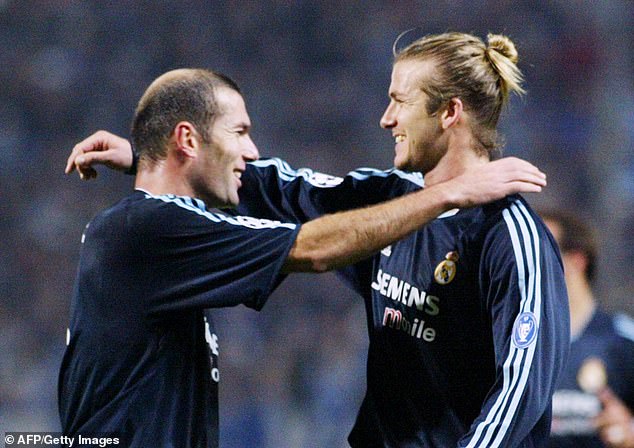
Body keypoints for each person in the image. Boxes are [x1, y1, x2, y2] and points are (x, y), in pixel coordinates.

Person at [66, 32, 569, 447]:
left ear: (449, 113)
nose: (386, 118)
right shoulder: (387, 200)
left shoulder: (511, 236)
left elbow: (523, 388)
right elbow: (282, 191)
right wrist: (148, 157)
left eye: (398, 101)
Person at [541, 210, 634, 448]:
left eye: (538, 252)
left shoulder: (622, 341)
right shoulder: (511, 343)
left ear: (576, 261)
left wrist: (628, 436)